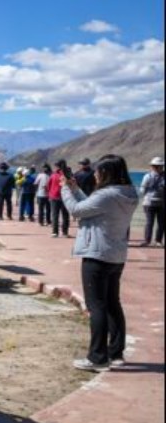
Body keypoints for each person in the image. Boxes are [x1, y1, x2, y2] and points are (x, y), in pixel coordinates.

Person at [60, 155, 138, 371]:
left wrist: (65, 188)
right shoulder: (128, 193)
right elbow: (91, 206)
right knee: (113, 303)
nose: (95, 174)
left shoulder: (106, 195)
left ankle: (97, 357)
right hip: (116, 255)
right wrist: (75, 189)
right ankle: (116, 352)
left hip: (97, 254)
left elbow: (77, 210)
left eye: (98, 171)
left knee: (96, 307)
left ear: (106, 173)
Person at [139, 156, 165, 246]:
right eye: (156, 166)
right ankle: (147, 240)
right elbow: (142, 189)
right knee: (149, 222)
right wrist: (146, 196)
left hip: (162, 203)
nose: (158, 168)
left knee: (161, 223)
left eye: (160, 166)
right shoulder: (147, 176)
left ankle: (158, 240)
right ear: (152, 167)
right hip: (149, 203)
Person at [48, 159, 71, 238]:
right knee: (65, 215)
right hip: (65, 197)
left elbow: (49, 185)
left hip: (54, 196)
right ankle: (65, 232)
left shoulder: (54, 174)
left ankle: (55, 232)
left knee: (55, 215)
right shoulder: (68, 174)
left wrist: (50, 194)